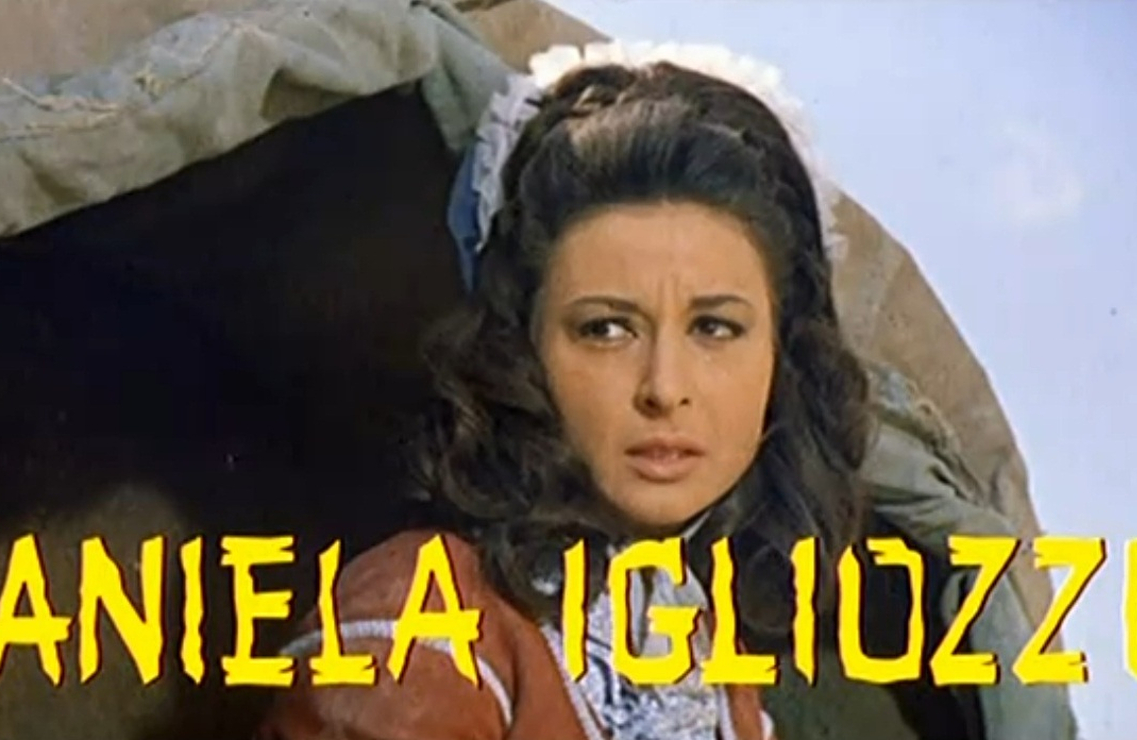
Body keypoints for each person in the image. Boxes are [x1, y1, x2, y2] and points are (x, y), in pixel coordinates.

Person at [255, 43, 875, 740]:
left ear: (779, 361)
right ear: (521, 350)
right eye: (605, 329)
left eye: (714, 328)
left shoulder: (705, 654)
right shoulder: (422, 616)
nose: (664, 388)